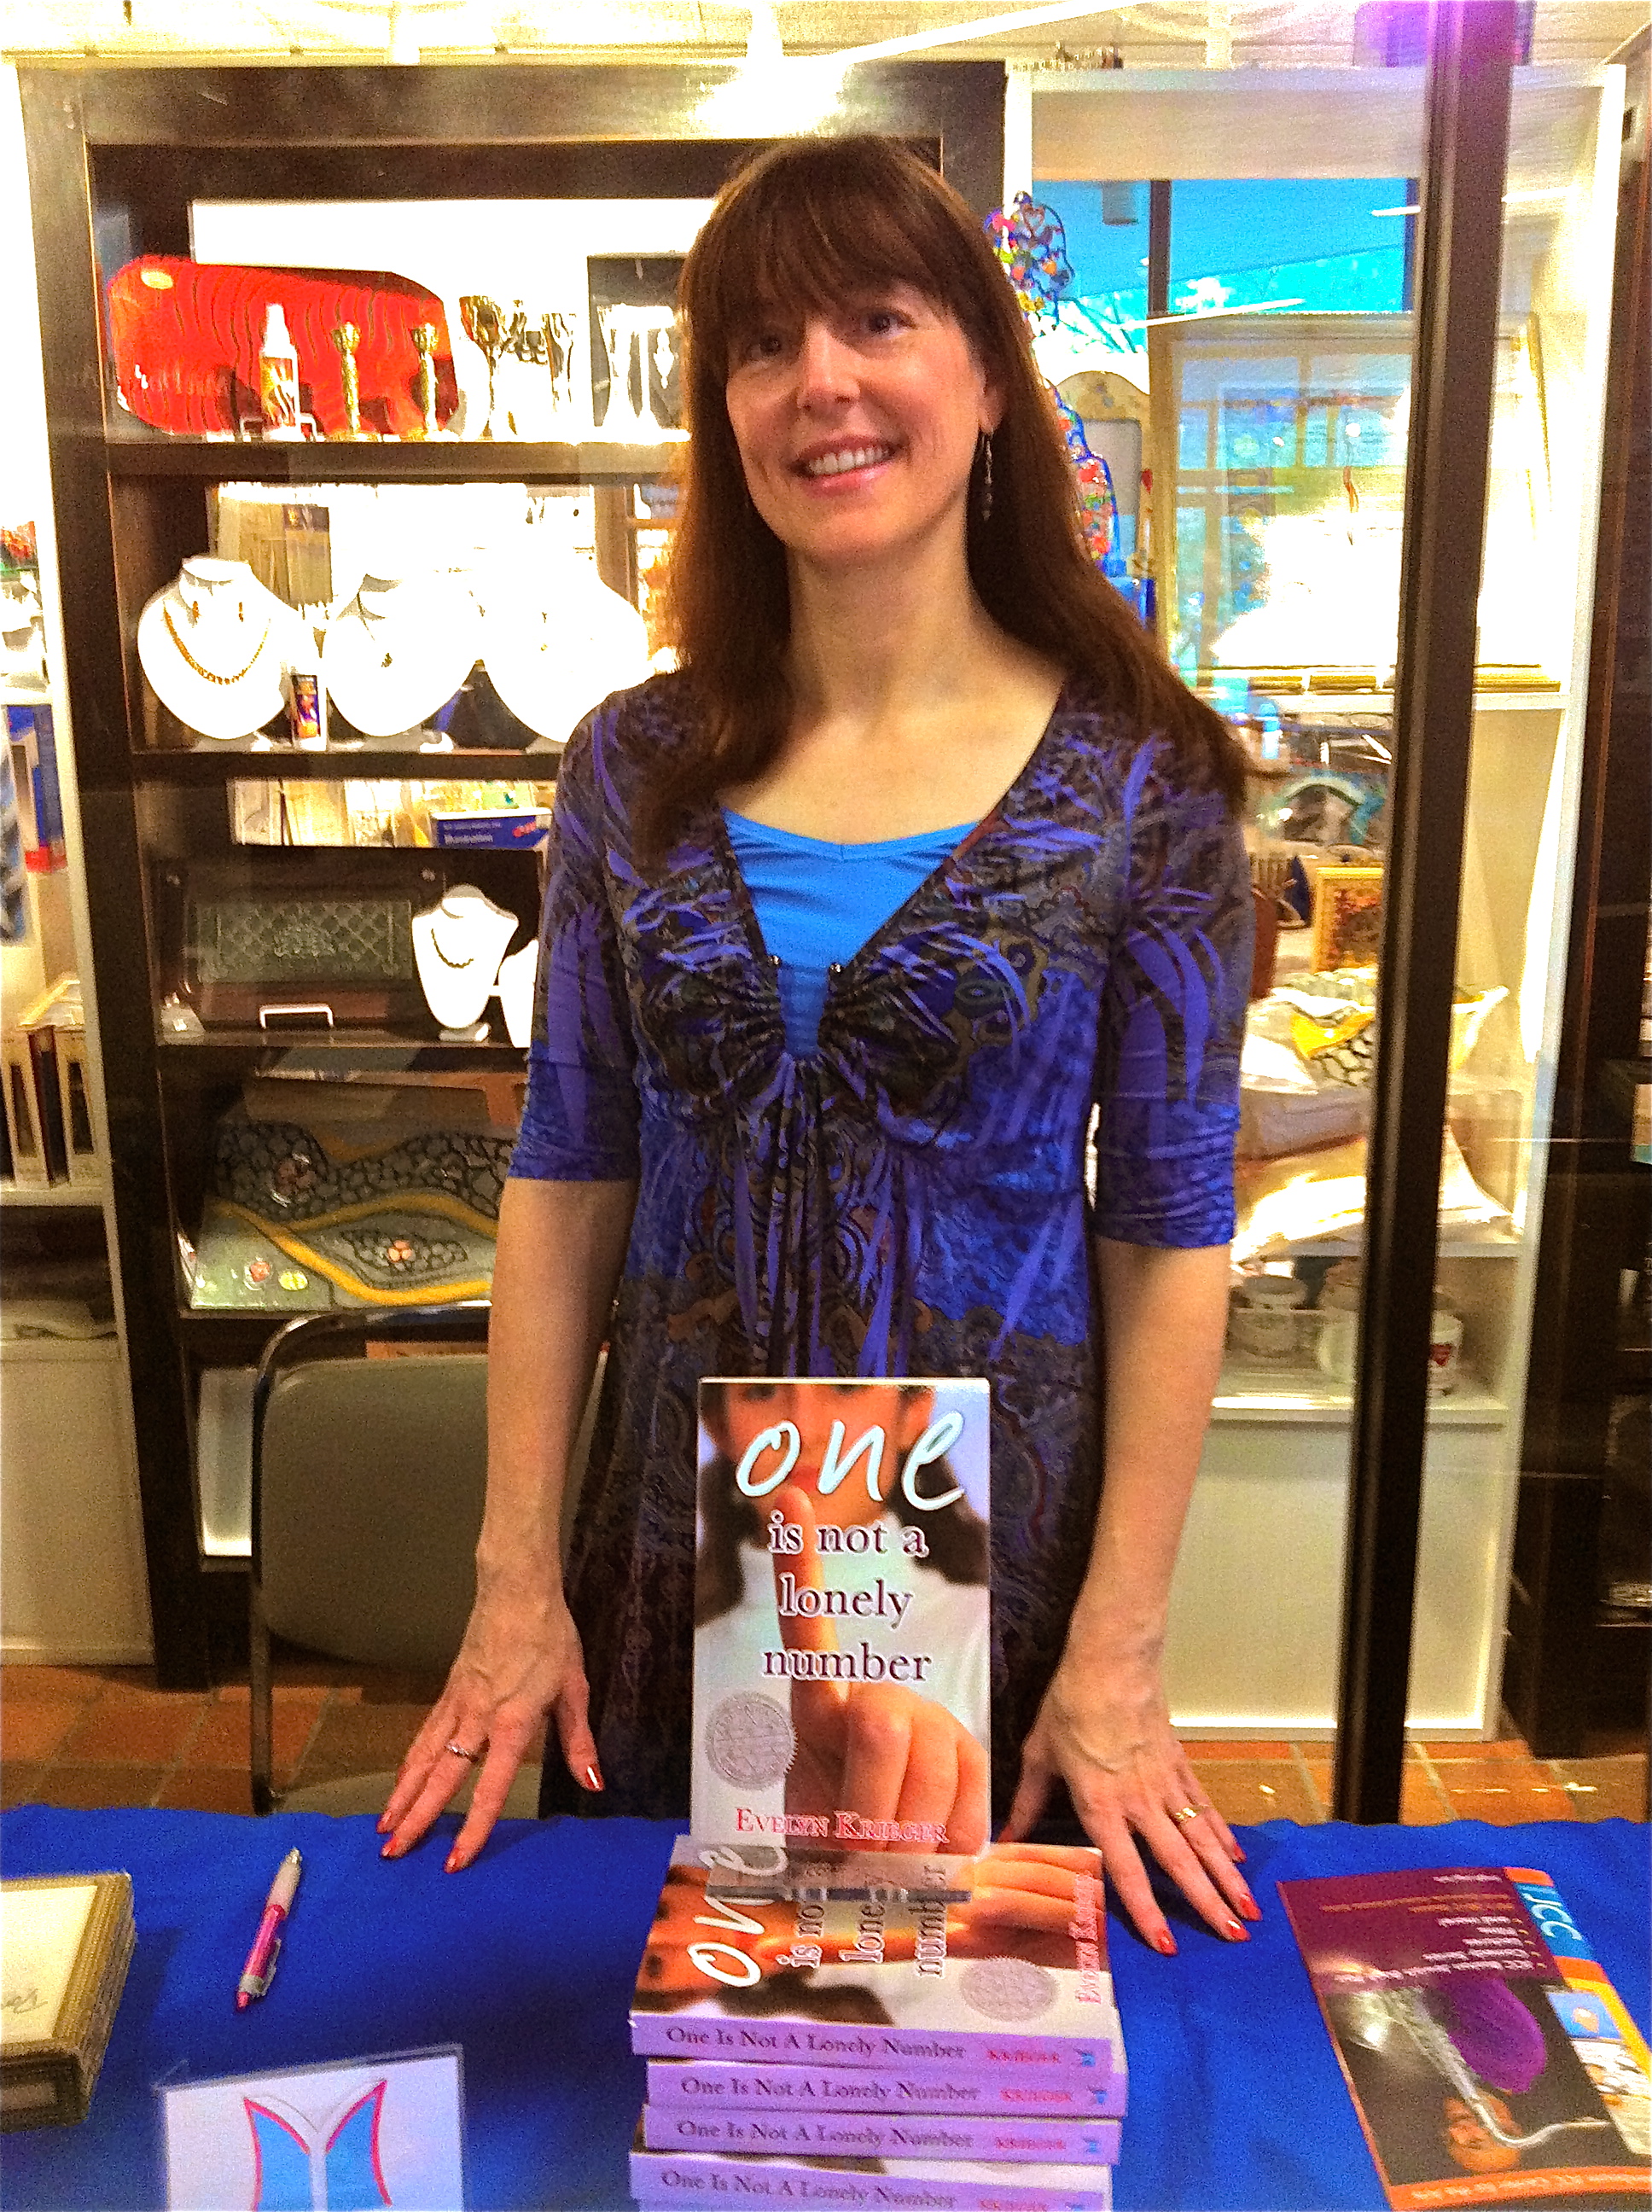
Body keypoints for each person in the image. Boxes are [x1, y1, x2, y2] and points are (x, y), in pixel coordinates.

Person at [380, 132, 1259, 1956]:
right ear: (722, 411)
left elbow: (1170, 1226)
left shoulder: (1142, 781)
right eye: (764, 343)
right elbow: (568, 1168)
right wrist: (511, 1574)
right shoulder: (631, 768)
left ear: (989, 379)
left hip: (987, 1576)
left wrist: (1119, 1644)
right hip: (664, 1558)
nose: (822, 383)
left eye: (878, 320)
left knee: (951, 2048)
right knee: (680, 2050)